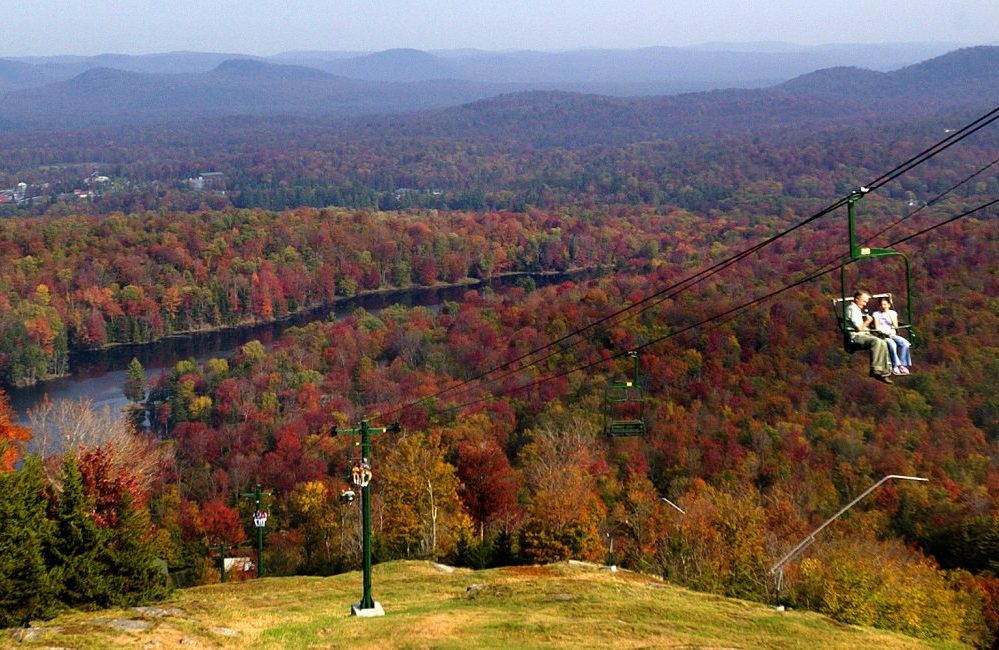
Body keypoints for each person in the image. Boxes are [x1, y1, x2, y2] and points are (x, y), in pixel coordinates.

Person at [845, 290, 894, 384]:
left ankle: (883, 371)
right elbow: (859, 328)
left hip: (862, 334)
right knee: (876, 341)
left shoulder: (856, 310)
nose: (865, 304)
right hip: (855, 336)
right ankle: (876, 369)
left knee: (882, 342)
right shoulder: (852, 309)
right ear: (856, 299)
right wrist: (867, 321)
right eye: (863, 302)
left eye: (866, 302)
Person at [871, 296, 912, 375]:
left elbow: (895, 326)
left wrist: (890, 315)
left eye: (885, 304)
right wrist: (885, 334)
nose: (883, 307)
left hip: (892, 334)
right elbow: (877, 328)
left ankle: (902, 365)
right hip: (883, 335)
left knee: (905, 343)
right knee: (892, 344)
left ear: (889, 305)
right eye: (881, 305)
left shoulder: (892, 313)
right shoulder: (876, 314)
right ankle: (896, 365)